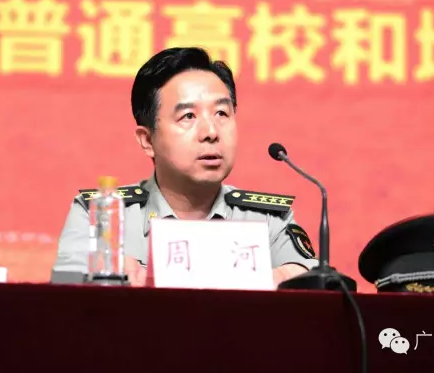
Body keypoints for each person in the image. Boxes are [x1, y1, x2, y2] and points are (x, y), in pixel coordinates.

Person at [51, 47, 318, 286]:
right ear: (147, 140)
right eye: (188, 116)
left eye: (221, 113)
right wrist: (106, 277)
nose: (211, 132)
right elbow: (64, 293)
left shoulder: (267, 220)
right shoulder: (101, 212)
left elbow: (313, 282)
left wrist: (287, 276)